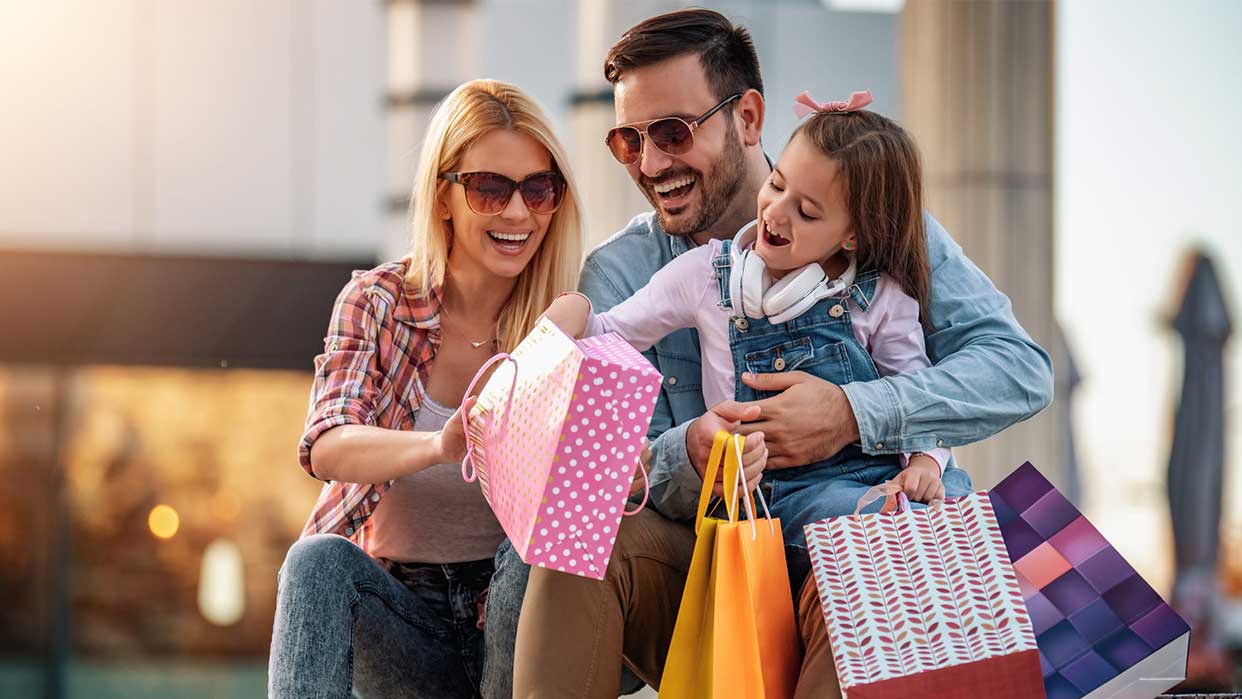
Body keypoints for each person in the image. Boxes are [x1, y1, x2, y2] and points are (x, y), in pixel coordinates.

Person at [486, 9, 1053, 699]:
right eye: (628, 141)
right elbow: (603, 475)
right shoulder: (627, 269)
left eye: (673, 132)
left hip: (857, 543)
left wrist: (852, 412)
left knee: (873, 571)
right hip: (716, 564)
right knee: (575, 539)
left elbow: (1018, 370)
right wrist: (690, 452)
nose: (652, 163)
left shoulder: (877, 219)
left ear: (748, 117)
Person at [267, 78, 584, 699]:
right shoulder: (378, 302)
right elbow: (327, 444)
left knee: (533, 557)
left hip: (515, 620)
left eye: (538, 190)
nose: (517, 214)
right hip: (403, 620)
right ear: (444, 197)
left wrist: (567, 324)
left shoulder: (568, 316)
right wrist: (440, 445)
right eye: (489, 188)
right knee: (315, 563)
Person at [543, 89, 959, 557]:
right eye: (777, 186)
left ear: (852, 236)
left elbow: (914, 392)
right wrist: (576, 312)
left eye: (807, 211)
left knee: (964, 519)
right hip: (775, 499)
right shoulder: (704, 275)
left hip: (884, 481)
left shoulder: (880, 296)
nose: (776, 212)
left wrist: (926, 462)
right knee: (877, 530)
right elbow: (609, 336)